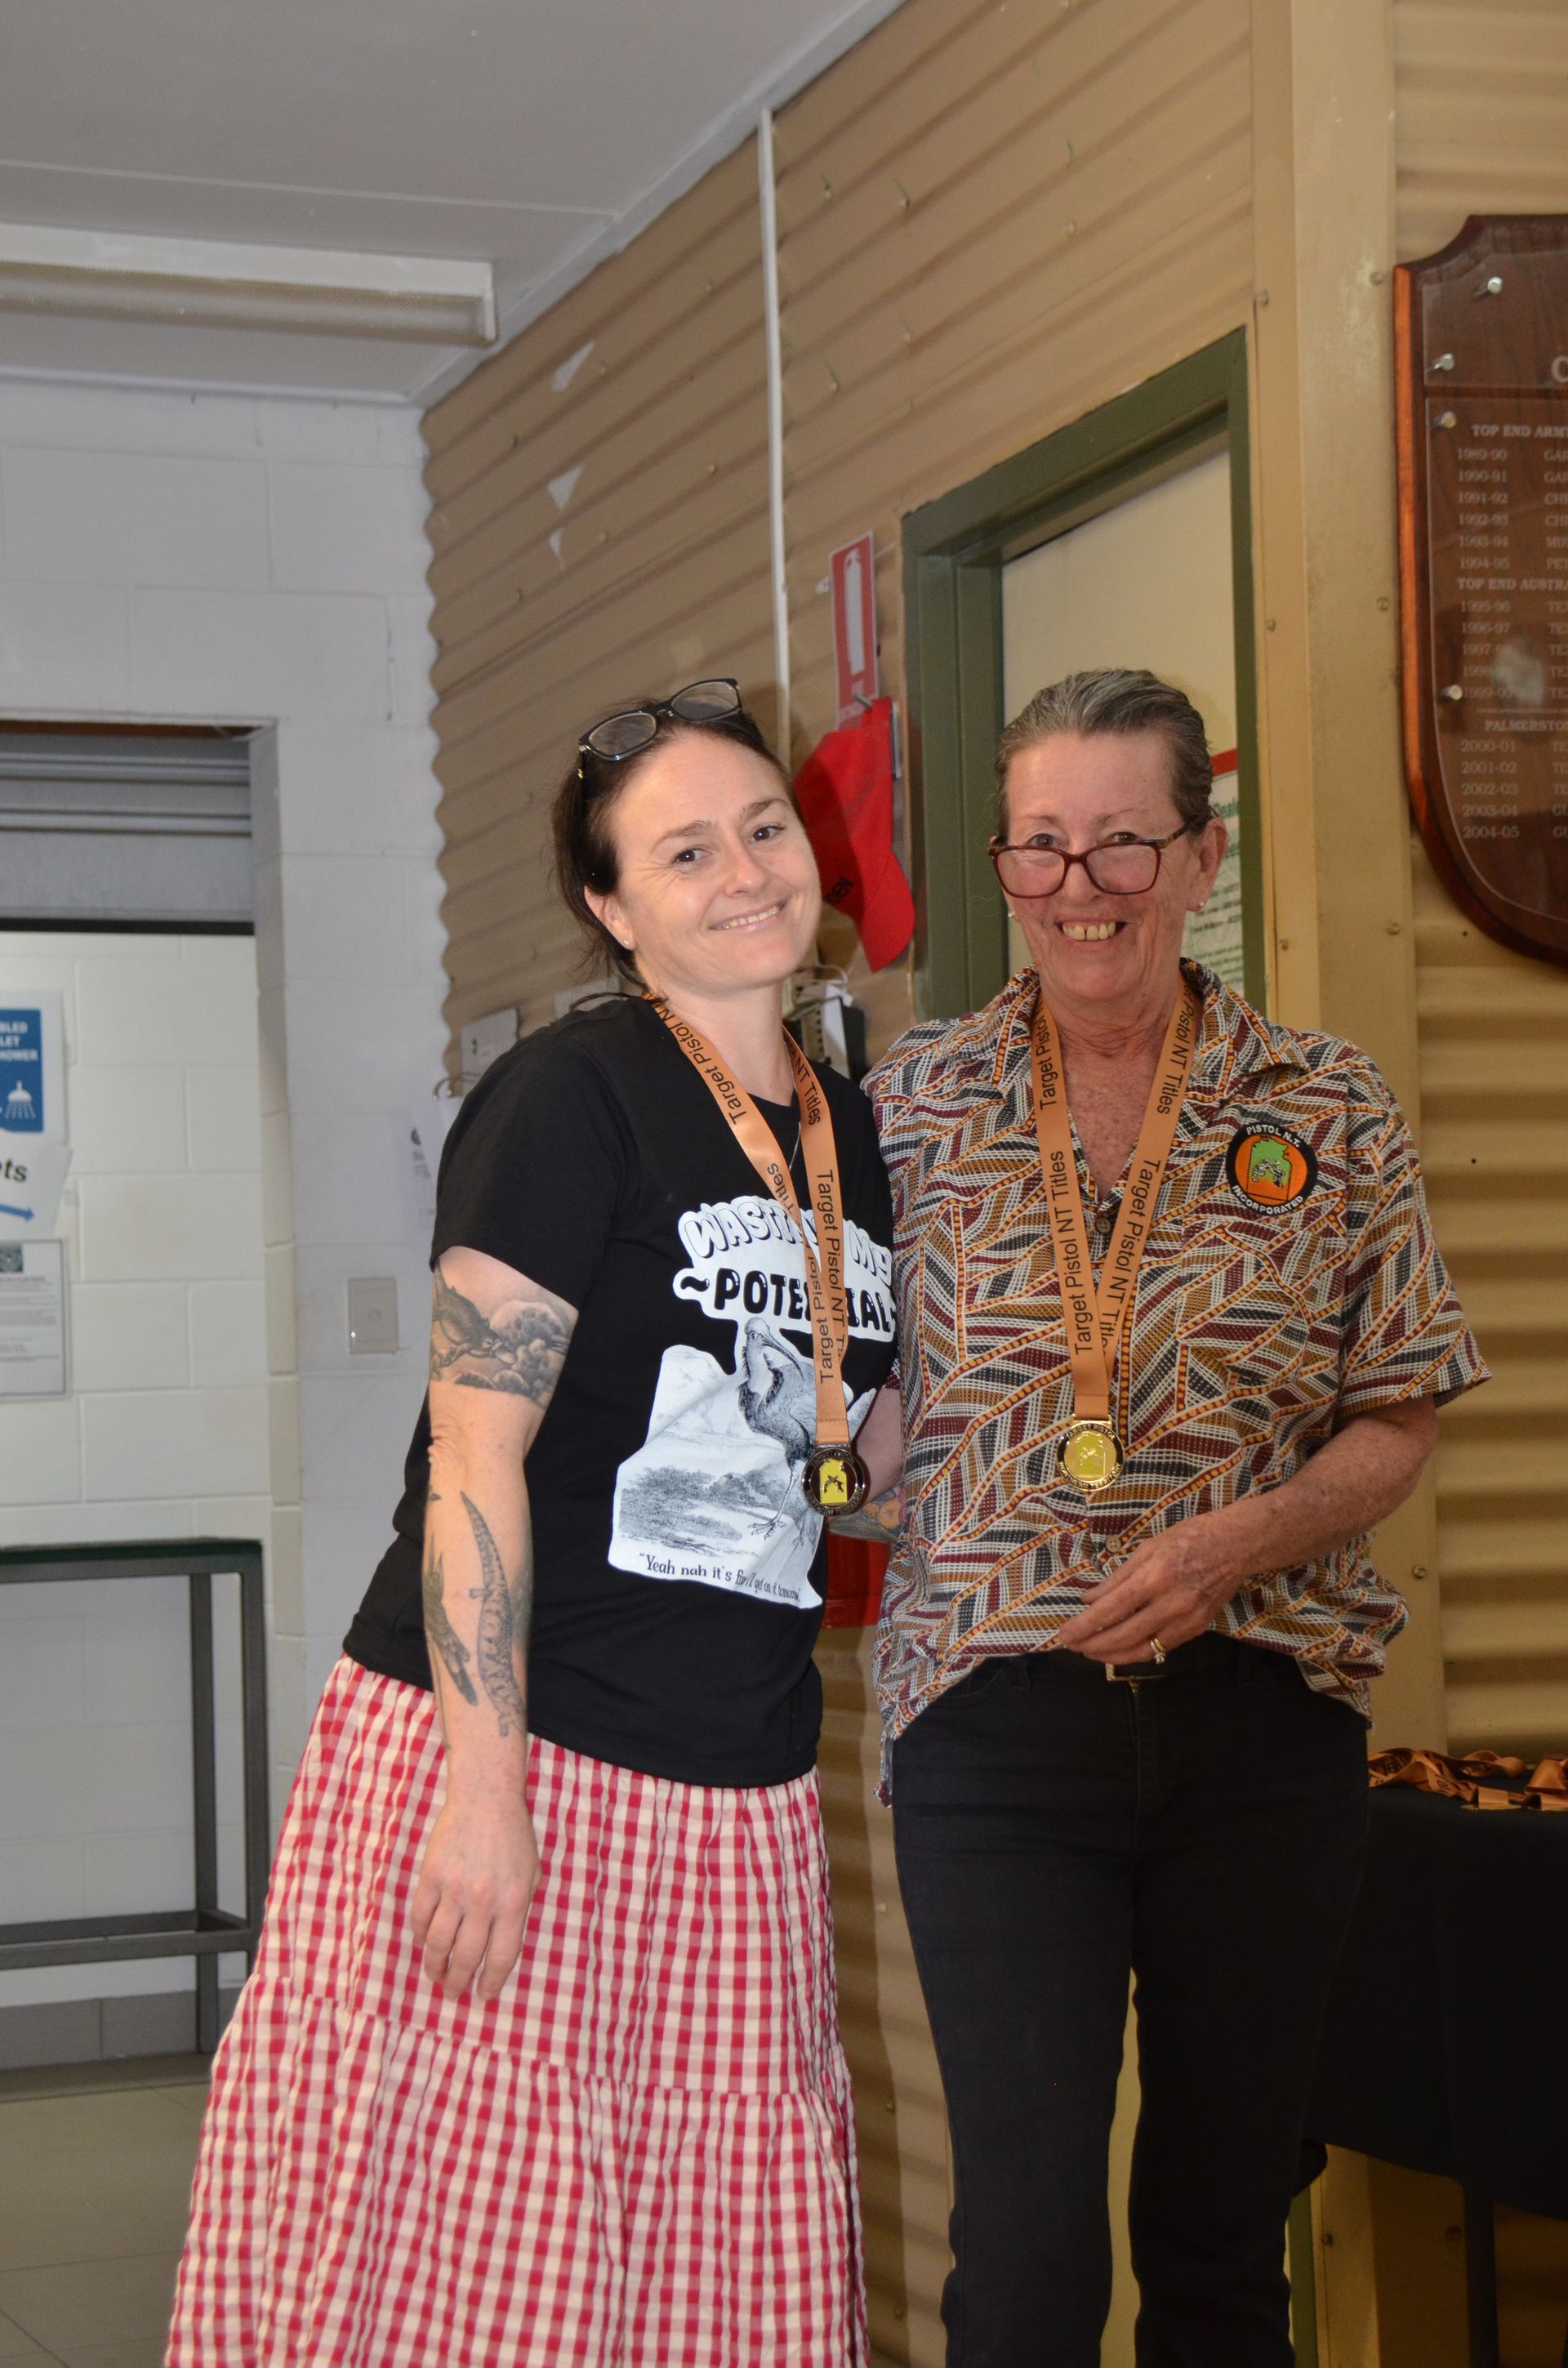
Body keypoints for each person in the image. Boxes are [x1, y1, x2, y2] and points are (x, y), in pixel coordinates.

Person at [168, 678, 902, 2368]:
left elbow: (848, 1453)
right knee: (463, 2262)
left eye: (765, 827)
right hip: (522, 1745)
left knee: (707, 2254)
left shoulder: (845, 1124)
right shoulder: (569, 1099)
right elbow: (474, 1457)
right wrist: (482, 1799)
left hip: (741, 1771)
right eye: (684, 849)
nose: (744, 873)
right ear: (611, 905)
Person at [866, 668, 1487, 2368]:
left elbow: (1404, 1404)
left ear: (1200, 857)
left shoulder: (1326, 1100)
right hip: (997, 1724)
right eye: (1041, 848)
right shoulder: (907, 1112)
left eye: (1122, 845)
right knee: (1035, 2246)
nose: (1079, 889)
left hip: (1263, 1719)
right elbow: (839, 1396)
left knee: (1221, 2238)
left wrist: (1234, 1545)